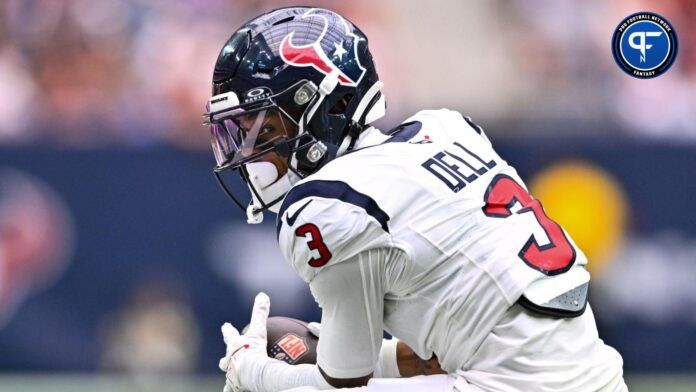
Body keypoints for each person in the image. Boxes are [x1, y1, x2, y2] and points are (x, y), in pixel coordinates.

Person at [205, 7, 626, 392]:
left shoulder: (329, 204)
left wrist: (250, 369)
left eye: (264, 128)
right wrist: (332, 344)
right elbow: (440, 359)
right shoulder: (447, 130)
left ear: (324, 106)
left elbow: (341, 381)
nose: (247, 150)